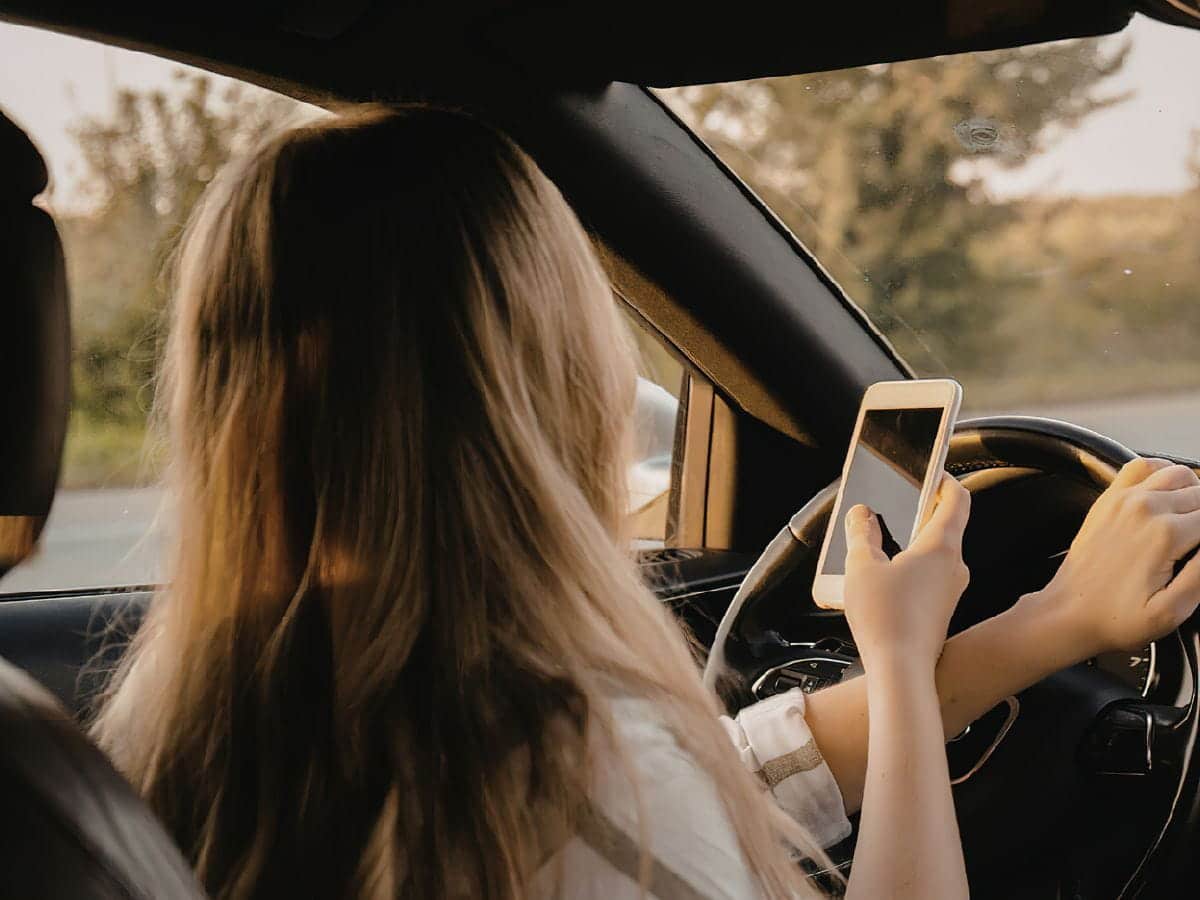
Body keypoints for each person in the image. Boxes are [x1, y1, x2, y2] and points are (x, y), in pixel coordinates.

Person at [88, 104, 1200, 900]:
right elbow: (646, 795)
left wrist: (1042, 630)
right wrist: (901, 676)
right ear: (547, 378)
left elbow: (728, 773)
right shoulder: (556, 772)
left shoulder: (180, 722)